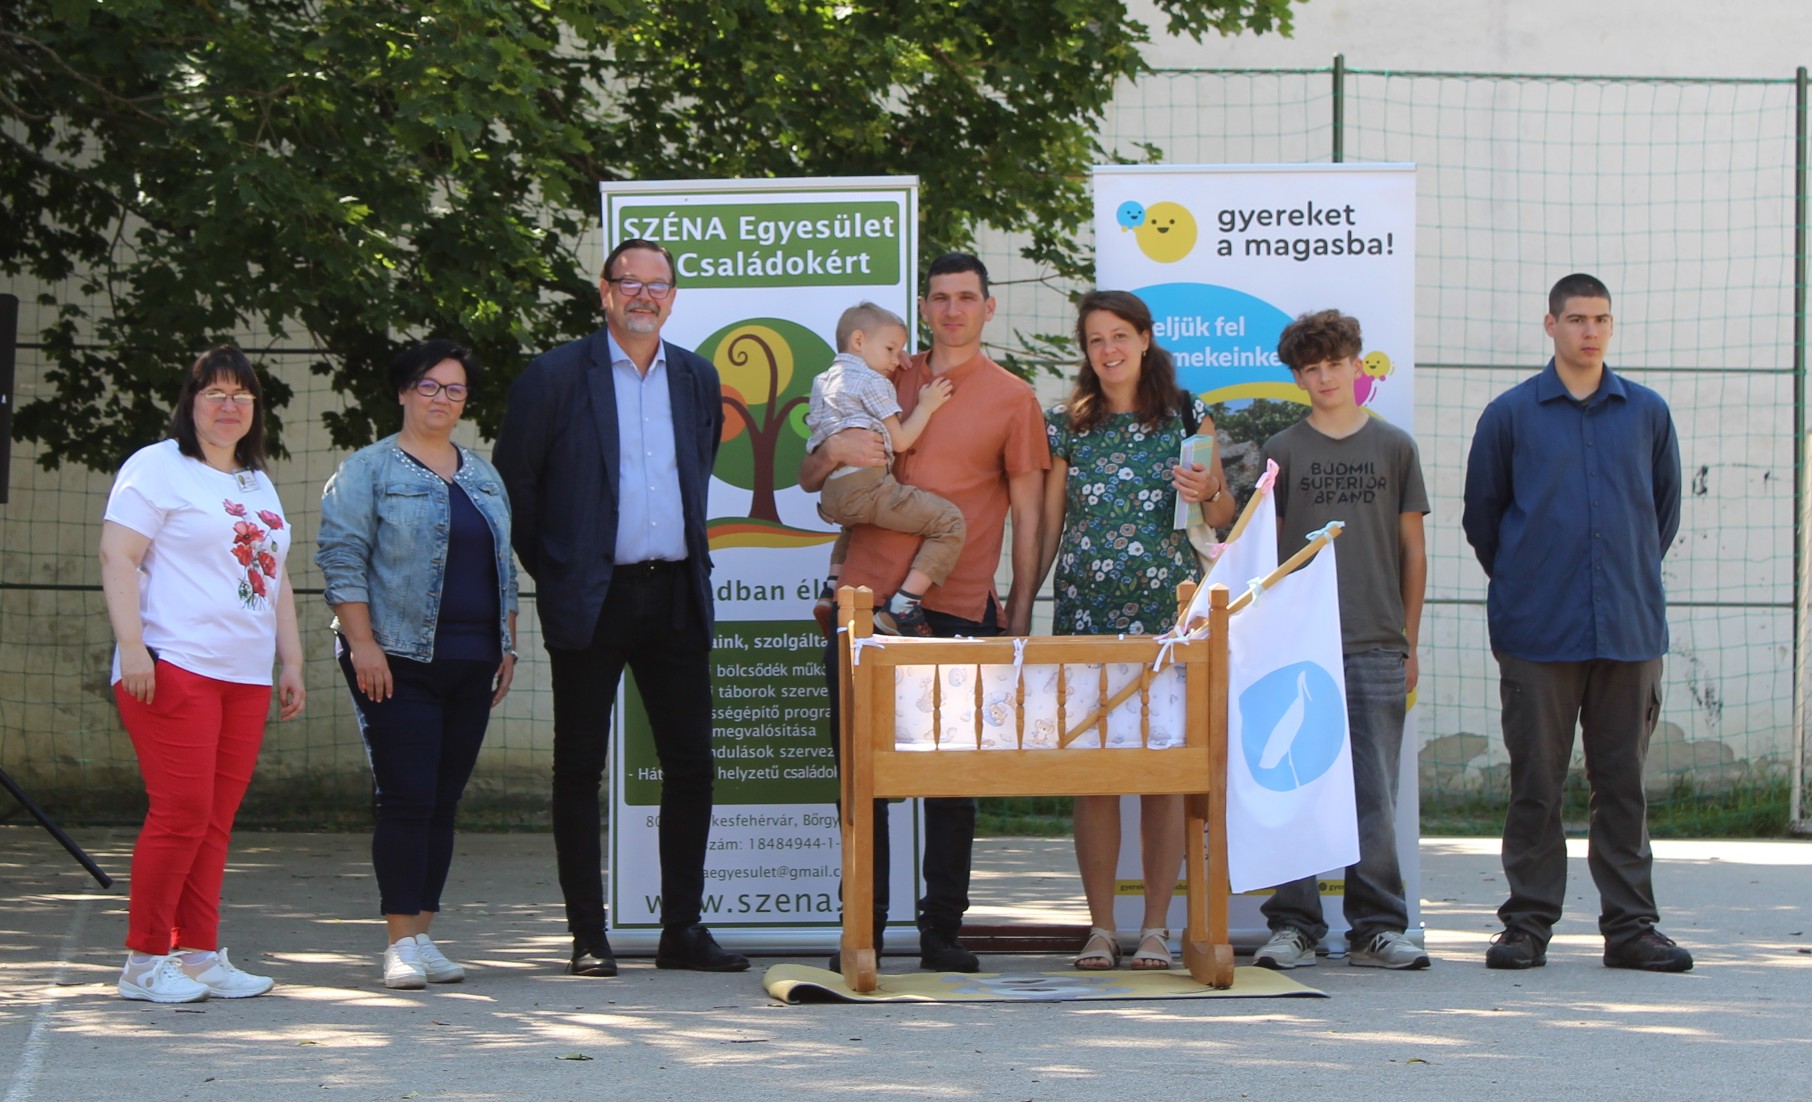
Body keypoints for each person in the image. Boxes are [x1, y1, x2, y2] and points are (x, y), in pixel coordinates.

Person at [493, 237, 747, 976]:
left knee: (691, 764)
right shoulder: (553, 376)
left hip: (675, 594)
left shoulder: (697, 378)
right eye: (628, 282)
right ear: (604, 292)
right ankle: (587, 935)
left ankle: (682, 930)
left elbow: (696, 470)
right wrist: (560, 570)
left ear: (673, 298)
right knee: (578, 768)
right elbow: (517, 490)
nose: (643, 295)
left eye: (657, 284)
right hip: (591, 596)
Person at [801, 252, 1050, 972]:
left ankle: (942, 932)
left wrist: (1020, 610)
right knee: (862, 779)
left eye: (966, 297)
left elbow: (1030, 515)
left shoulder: (1014, 398)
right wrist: (829, 452)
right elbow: (812, 474)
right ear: (923, 307)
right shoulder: (881, 371)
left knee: (951, 786)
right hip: (863, 606)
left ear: (988, 308)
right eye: (940, 297)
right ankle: (864, 932)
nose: (952, 310)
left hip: (960, 607)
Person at [1462, 273, 1691, 973]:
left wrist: (1619, 577)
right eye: (1577, 319)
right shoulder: (1510, 415)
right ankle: (1526, 926)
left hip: (1628, 628)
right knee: (1536, 784)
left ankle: (1631, 929)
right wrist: (1532, 582)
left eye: (1601, 319)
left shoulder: (1647, 413)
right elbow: (1483, 519)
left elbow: (1662, 514)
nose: (1590, 331)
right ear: (1550, 324)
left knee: (1622, 785)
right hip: (1537, 632)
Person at [1034, 290, 1236, 969]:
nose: (1109, 349)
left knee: (1161, 774)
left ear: (1146, 339)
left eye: (1120, 335)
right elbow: (1049, 524)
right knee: (1094, 776)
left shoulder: (1188, 413)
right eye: (1096, 339)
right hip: (1085, 616)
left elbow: (1223, 512)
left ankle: (1154, 929)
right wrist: (1020, 602)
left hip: (1167, 621)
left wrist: (1208, 493)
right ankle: (1100, 928)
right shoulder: (1066, 424)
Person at [98, 345, 306, 1003]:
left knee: (214, 819)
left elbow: (276, 577)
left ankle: (197, 955)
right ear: (190, 402)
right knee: (181, 812)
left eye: (241, 395)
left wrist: (292, 659)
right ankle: (143, 961)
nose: (228, 406)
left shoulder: (256, 480)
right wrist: (132, 648)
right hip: (173, 665)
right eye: (214, 392)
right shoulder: (157, 466)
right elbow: (118, 556)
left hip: (244, 675)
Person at [316, 340, 520, 989]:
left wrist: (508, 644)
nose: (441, 398)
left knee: (443, 802)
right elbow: (341, 560)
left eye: (454, 389)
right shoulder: (367, 470)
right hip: (395, 661)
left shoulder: (483, 475)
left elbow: (504, 567)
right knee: (406, 799)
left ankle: (424, 935)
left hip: (473, 660)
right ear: (404, 391)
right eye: (429, 385)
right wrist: (363, 644)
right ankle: (399, 942)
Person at [1250, 309, 1432, 972]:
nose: (1325, 376)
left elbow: (1413, 549)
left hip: (1376, 639)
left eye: (1335, 363)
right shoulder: (1282, 449)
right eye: (1311, 368)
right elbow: (1265, 549)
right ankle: (1295, 924)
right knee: (1294, 784)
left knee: (1373, 793)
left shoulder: (1395, 446)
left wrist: (1409, 639)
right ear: (1298, 378)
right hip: (1296, 642)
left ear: (1357, 365)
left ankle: (1377, 927)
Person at [805, 300, 965, 636]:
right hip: (867, 486)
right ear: (859, 341)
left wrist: (892, 353)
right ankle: (903, 607)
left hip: (833, 493)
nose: (895, 360)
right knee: (949, 521)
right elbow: (901, 440)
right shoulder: (872, 381)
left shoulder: (823, 380)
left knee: (852, 527)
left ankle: (830, 590)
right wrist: (927, 405)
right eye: (891, 349)